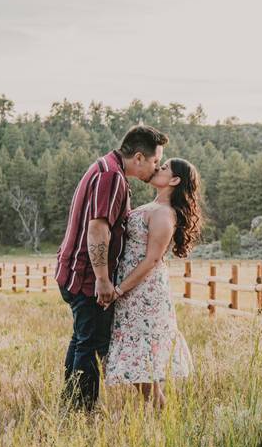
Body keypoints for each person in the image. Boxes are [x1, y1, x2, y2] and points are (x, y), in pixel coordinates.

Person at [55, 125, 168, 412]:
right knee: (92, 345)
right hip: (87, 276)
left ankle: (71, 406)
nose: (156, 169)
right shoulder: (112, 177)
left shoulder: (106, 168)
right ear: (139, 157)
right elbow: (97, 229)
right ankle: (82, 411)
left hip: (75, 271)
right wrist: (103, 279)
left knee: (83, 339)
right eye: (156, 162)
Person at [104, 159, 203, 409]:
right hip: (131, 287)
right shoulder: (151, 206)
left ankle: (159, 413)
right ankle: (158, 412)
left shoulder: (164, 214)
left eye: (165, 167)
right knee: (140, 357)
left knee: (144, 356)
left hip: (143, 290)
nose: (158, 167)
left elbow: (152, 259)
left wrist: (120, 289)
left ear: (174, 180)